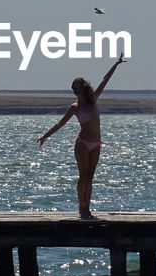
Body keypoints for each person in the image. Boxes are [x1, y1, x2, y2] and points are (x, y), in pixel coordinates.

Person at [37, 54, 126, 218]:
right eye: (73, 89)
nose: (75, 92)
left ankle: (88, 209)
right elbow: (60, 123)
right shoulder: (75, 107)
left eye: (77, 88)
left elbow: (105, 80)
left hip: (96, 143)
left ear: (83, 88)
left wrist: (116, 64)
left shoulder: (94, 100)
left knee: (90, 177)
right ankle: (81, 207)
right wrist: (45, 136)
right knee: (82, 176)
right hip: (83, 143)